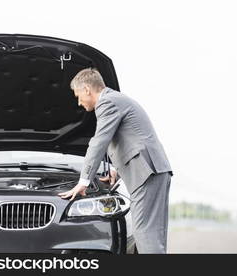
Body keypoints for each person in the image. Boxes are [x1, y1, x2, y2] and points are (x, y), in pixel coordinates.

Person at [58, 68, 173, 254]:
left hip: (147, 172)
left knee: (145, 233)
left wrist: (83, 181)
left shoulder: (107, 102)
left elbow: (99, 142)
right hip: (152, 170)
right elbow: (130, 139)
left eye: (78, 95)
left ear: (87, 89)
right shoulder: (116, 100)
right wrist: (116, 170)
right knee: (152, 235)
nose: (79, 102)